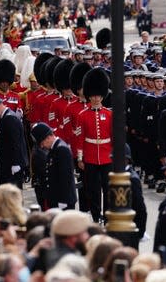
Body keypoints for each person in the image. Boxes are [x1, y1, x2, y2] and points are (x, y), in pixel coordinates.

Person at [77, 68, 112, 223]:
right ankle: (96, 215)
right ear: (89, 97)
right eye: (93, 96)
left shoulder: (109, 114)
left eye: (98, 95)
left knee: (108, 188)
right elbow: (80, 138)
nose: (96, 98)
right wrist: (80, 158)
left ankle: (108, 216)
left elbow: (114, 137)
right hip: (90, 157)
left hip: (107, 156)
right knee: (93, 190)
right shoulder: (82, 115)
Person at [0, 94, 28, 188]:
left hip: (11, 167)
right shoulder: (6, 118)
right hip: (7, 166)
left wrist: (16, 163)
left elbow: (16, 142)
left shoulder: (10, 119)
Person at [30, 122, 76, 210]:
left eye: (42, 142)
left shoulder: (61, 150)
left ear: (48, 137)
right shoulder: (54, 148)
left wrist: (63, 201)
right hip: (56, 198)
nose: (42, 146)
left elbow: (65, 178)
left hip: (63, 200)